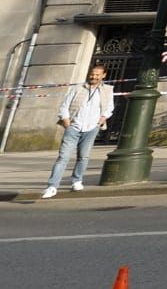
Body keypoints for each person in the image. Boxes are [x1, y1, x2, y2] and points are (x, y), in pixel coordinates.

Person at [42, 64, 114, 199]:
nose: (94, 76)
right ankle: (52, 186)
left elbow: (109, 108)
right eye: (92, 74)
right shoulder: (77, 88)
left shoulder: (108, 90)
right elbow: (65, 106)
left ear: (103, 75)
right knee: (63, 157)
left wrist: (100, 121)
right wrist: (67, 123)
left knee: (83, 156)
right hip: (74, 126)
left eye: (97, 74)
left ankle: (77, 180)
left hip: (92, 127)